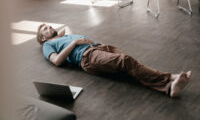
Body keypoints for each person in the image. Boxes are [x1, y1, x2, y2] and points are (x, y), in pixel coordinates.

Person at [37, 23, 192, 98]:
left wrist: (61, 35)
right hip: (87, 57)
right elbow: (57, 61)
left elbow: (67, 27)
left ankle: (171, 79)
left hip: (99, 46)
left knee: (132, 66)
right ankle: (170, 85)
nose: (49, 27)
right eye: (45, 29)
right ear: (43, 38)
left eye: (49, 25)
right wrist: (74, 43)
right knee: (125, 61)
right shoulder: (48, 45)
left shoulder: (62, 36)